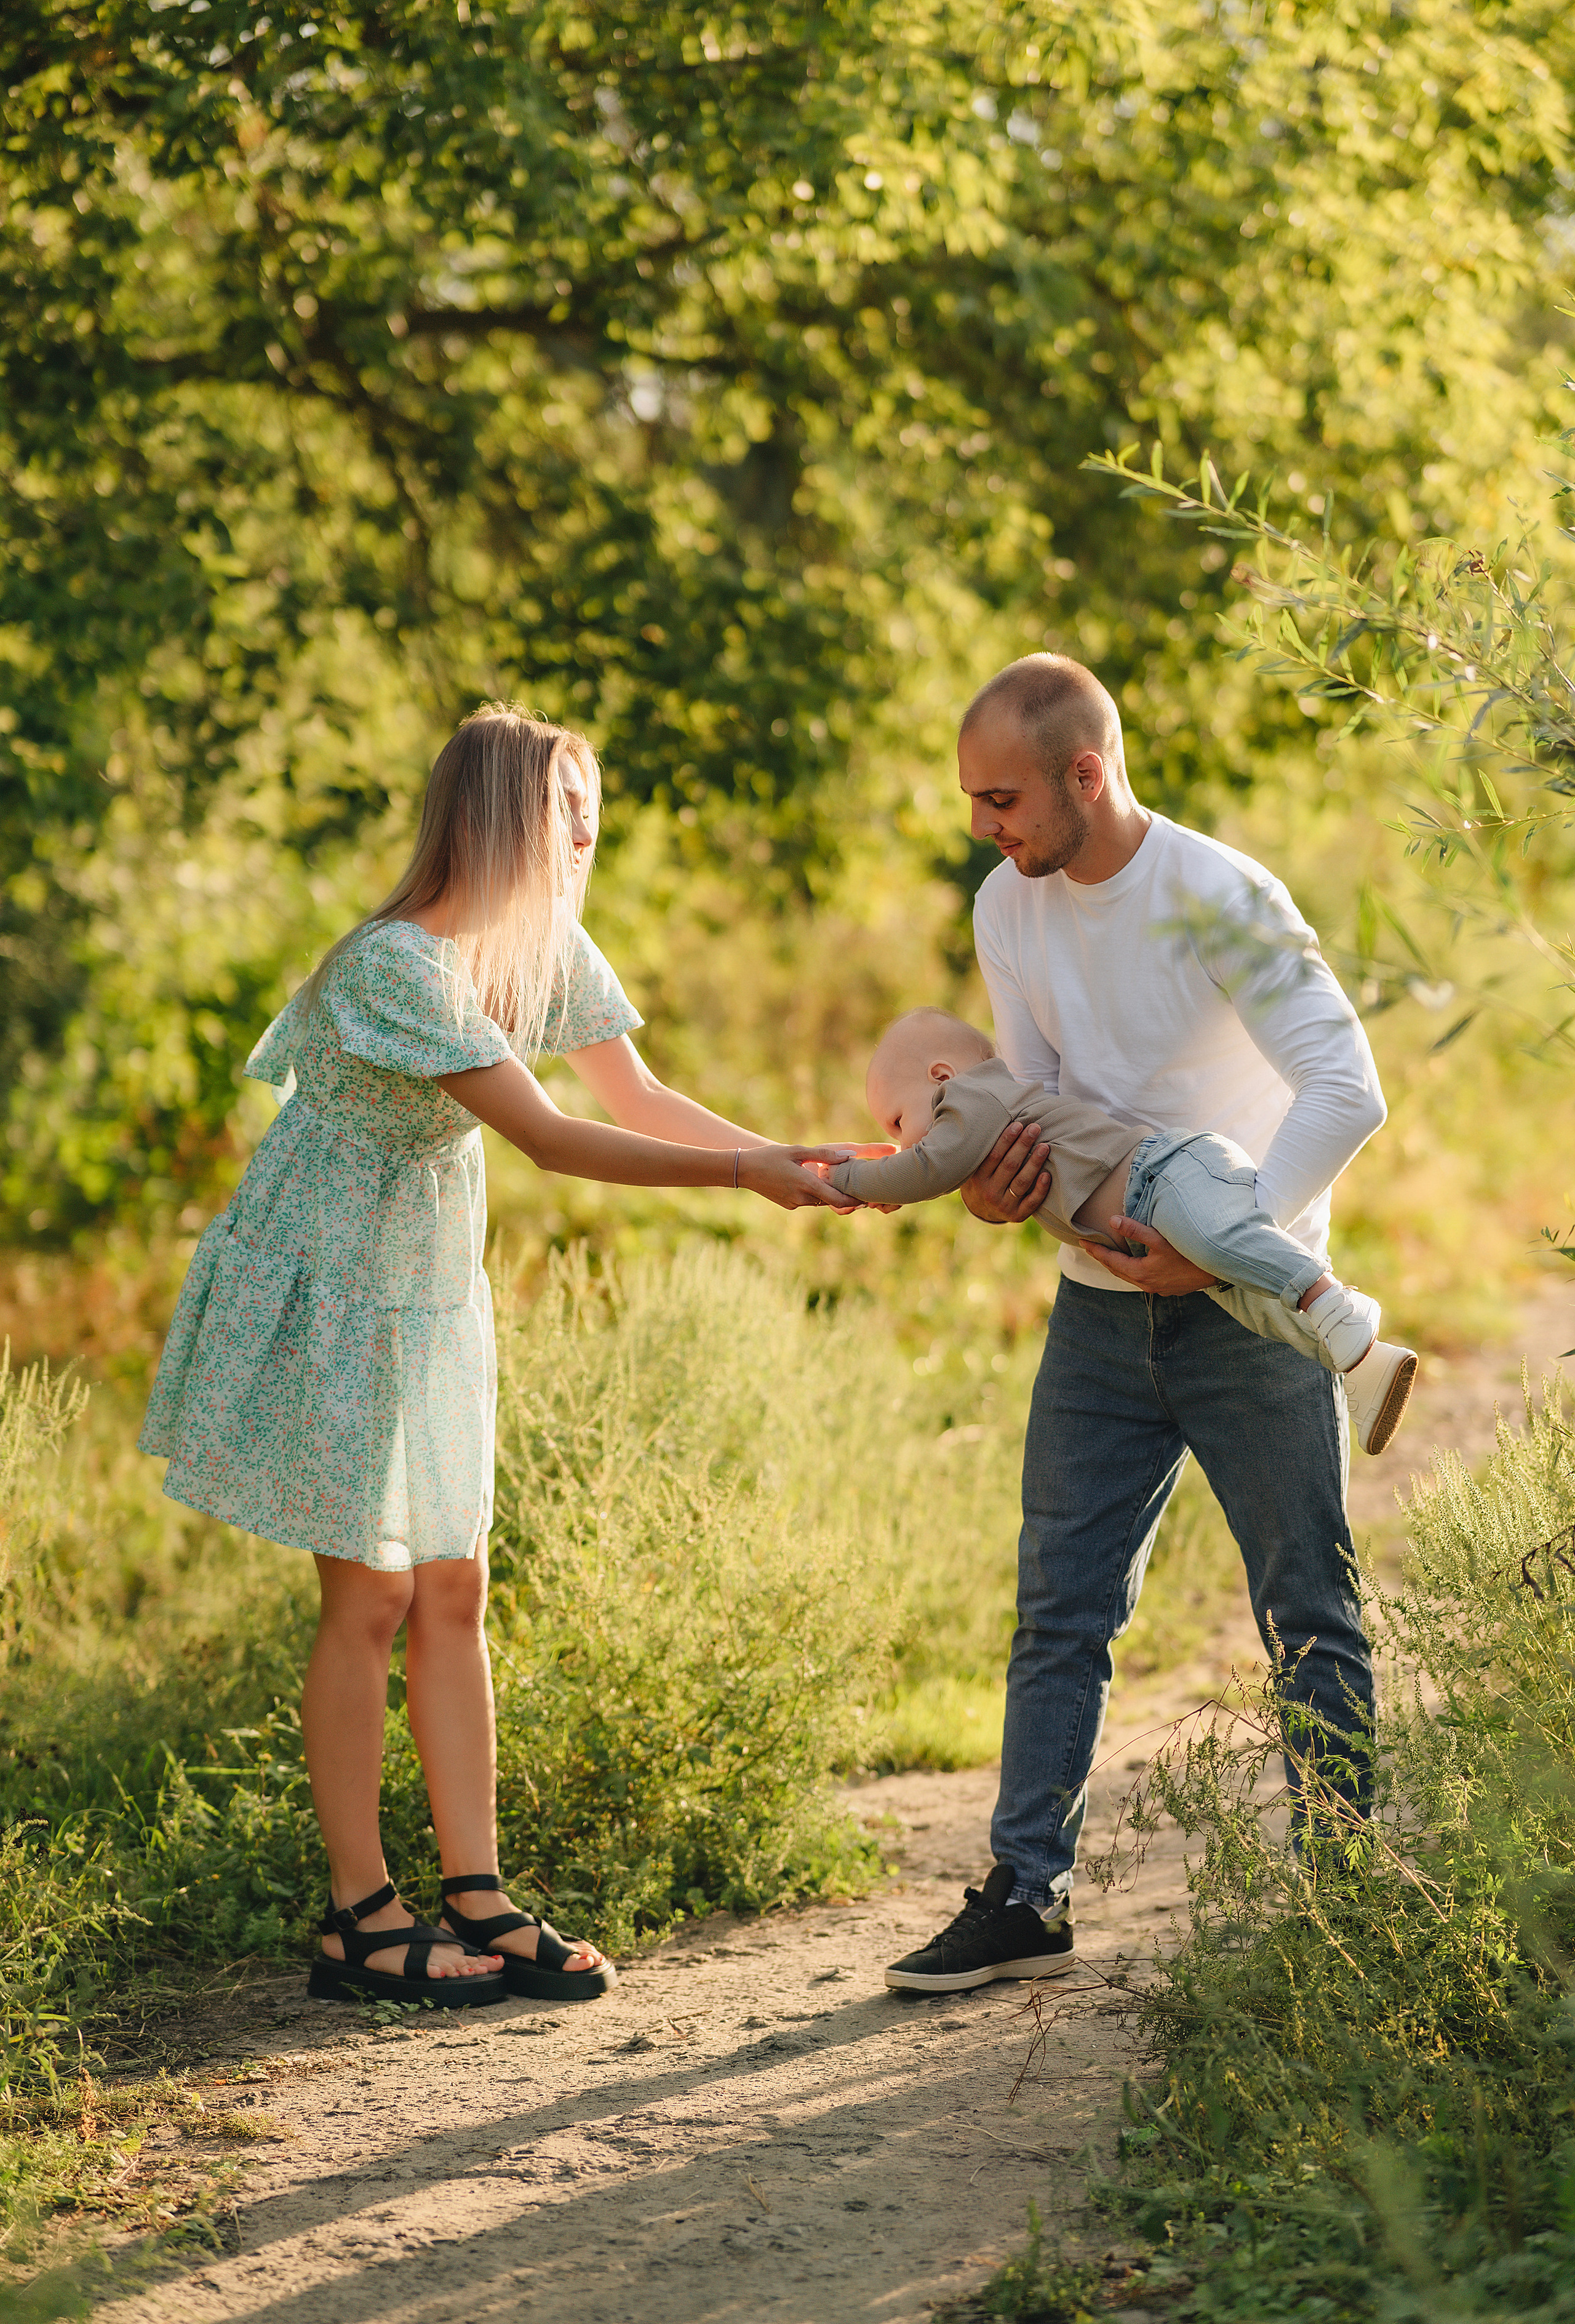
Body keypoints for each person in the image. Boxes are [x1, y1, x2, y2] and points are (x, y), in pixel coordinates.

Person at [140, 703, 855, 2010]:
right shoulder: (393, 966)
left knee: (457, 1588)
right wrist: (743, 1177)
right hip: (337, 1288)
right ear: (500, 818)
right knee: (370, 1598)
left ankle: (475, 1889)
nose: (586, 835)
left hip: (429, 1292)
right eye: (565, 812)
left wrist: (791, 1153)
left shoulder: (541, 949)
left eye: (592, 812)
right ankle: (361, 1912)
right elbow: (554, 1137)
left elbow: (635, 1099)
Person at [879, 654, 1389, 1996]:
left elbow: (1345, 1089)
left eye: (1000, 799)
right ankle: (1023, 1894)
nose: (982, 827)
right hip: (1098, 1313)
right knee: (1058, 1609)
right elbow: (1037, 1095)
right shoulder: (1009, 902)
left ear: (1084, 775)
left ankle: (1348, 1902)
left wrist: (1223, 1246)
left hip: (1250, 1313)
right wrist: (1000, 1191)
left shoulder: (1216, 896)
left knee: (1307, 1608)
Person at [829, 1007, 1416, 1453]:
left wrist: (853, 1179)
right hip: (1151, 1215)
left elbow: (927, 1168)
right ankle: (1367, 1365)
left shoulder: (971, 1097)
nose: (902, 1139)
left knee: (1222, 1242)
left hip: (1164, 1174)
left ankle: (1332, 1300)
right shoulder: (975, 1108)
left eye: (898, 1120)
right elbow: (928, 1166)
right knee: (1256, 1305)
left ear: (941, 1076)